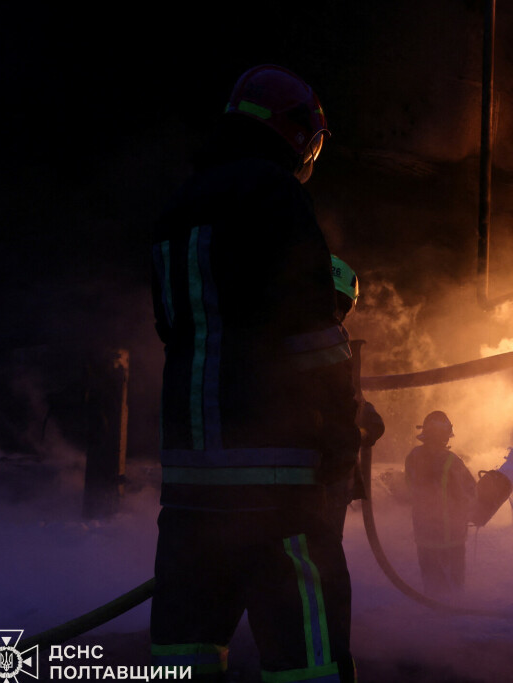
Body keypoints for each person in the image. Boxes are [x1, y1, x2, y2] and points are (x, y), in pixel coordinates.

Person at [149, 64, 360, 683]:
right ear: (296, 133)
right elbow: (311, 332)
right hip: (279, 489)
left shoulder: (178, 205)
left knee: (183, 656)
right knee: (306, 658)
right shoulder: (275, 194)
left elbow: (175, 329)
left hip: (190, 488)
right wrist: (340, 431)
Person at [321, 254, 385, 541]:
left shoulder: (272, 335)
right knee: (316, 567)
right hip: (316, 480)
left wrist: (361, 412)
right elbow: (332, 409)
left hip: (315, 481)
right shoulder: (326, 342)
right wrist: (361, 428)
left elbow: (340, 397)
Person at [404, 410, 477, 595]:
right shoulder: (452, 461)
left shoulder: (413, 457)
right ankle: (453, 618)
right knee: (454, 590)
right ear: (446, 436)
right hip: (451, 537)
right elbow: (470, 492)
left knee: (432, 588)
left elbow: (409, 489)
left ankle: (433, 620)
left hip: (424, 535)